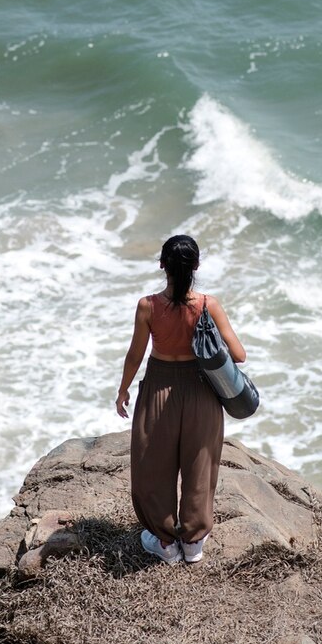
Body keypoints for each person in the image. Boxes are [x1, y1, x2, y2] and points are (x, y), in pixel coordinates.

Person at [116, 234, 246, 565]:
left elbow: (135, 355)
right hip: (201, 391)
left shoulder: (148, 306)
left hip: (159, 390)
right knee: (199, 465)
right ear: (197, 266)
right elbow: (239, 355)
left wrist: (123, 390)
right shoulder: (208, 305)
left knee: (153, 467)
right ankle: (193, 543)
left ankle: (165, 542)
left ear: (162, 266)